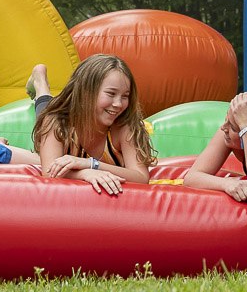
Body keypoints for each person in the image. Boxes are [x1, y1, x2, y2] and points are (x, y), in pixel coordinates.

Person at [30, 55, 154, 196]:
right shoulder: (57, 122)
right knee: (45, 112)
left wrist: (92, 164)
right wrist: (84, 173)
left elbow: (141, 177)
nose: (118, 104)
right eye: (111, 93)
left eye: (125, 96)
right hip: (66, 117)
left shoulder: (124, 127)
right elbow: (48, 172)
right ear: (86, 91)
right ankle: (40, 81)